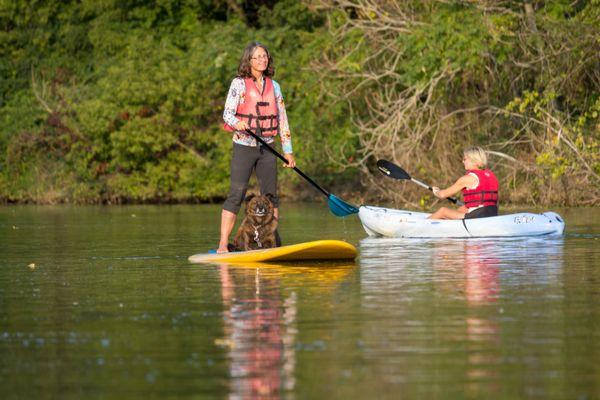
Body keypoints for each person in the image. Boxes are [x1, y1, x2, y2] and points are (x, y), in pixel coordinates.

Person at [217, 42, 296, 253]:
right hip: (244, 146)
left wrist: (288, 151)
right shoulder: (239, 84)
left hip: (268, 148)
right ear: (249, 61)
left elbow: (283, 120)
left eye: (265, 56)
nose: (262, 60)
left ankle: (273, 242)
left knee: (271, 196)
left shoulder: (275, 86)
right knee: (236, 195)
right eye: (258, 57)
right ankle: (223, 245)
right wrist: (237, 123)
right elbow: (227, 114)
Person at [428, 147, 498, 220]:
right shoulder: (491, 176)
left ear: (474, 160)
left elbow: (443, 195)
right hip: (492, 213)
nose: (463, 161)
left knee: (443, 211)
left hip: (478, 215)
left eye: (465, 159)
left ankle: (422, 226)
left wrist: (436, 191)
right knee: (462, 208)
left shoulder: (467, 179)